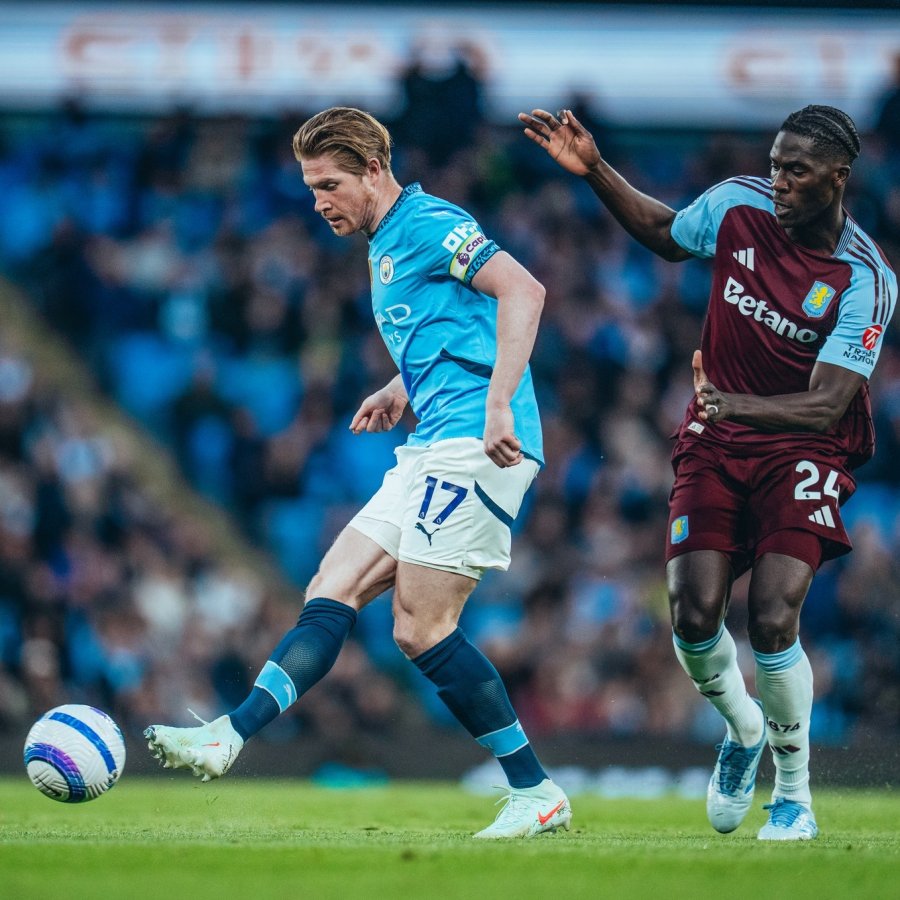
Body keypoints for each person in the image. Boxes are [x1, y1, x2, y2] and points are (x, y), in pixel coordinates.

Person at [145, 106, 571, 840]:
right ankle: (230, 735)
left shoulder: (431, 222)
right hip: (435, 438)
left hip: (479, 443)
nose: (320, 202)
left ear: (374, 171)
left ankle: (536, 790)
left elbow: (524, 291)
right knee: (330, 585)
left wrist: (499, 402)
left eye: (331, 184)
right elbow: (452, 327)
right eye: (312, 188)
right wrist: (401, 386)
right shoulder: (381, 241)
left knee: (421, 627)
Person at [518, 103, 897, 840]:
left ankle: (794, 795)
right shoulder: (735, 206)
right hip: (715, 439)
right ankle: (743, 729)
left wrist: (733, 403)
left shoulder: (865, 278)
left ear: (838, 178)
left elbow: (824, 407)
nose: (778, 181)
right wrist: (595, 168)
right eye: (775, 165)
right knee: (692, 621)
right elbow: (664, 236)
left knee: (773, 614)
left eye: (796, 170)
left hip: (801, 449)